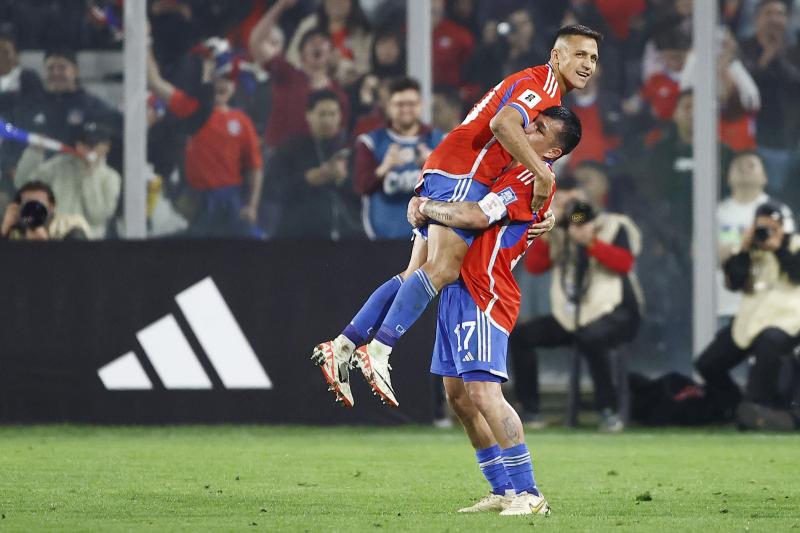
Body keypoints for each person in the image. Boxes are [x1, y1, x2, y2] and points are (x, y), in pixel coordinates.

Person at [312, 25, 600, 408]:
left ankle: (344, 344)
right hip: (465, 171)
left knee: (414, 274)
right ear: (556, 55)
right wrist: (544, 175)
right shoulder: (542, 85)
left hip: (445, 166)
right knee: (444, 269)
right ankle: (379, 349)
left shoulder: (542, 88)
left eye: (593, 58)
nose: (587, 64)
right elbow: (502, 124)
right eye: (579, 54)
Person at [408, 162, 557, 516]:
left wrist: (424, 205)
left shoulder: (530, 173)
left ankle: (529, 492)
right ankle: (503, 490)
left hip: (482, 291)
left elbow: (475, 216)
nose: (524, 135)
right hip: (452, 289)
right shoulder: (498, 164)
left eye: (536, 133)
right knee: (458, 397)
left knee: (483, 392)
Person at [511, 182, 643, 432]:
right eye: (563, 200)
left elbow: (624, 263)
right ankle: (530, 410)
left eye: (574, 199)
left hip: (616, 311)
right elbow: (535, 267)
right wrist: (548, 228)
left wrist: (591, 242)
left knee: (591, 338)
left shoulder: (614, 224)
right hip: (571, 315)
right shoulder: (560, 229)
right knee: (521, 336)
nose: (572, 207)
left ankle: (608, 411)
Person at [696, 202, 800, 427]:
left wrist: (778, 248)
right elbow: (734, 281)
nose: (766, 232)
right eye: (761, 227)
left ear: (783, 226)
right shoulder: (751, 250)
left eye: (772, 226)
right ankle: (735, 407)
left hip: (788, 320)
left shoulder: (795, 244)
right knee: (707, 364)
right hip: (750, 321)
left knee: (768, 343)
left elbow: (796, 273)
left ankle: (758, 408)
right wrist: (744, 248)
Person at [248, 0, 351, 151]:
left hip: (315, 159)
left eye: (323, 42)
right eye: (311, 42)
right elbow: (257, 42)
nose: (317, 44)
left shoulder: (338, 94)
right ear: (301, 53)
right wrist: (280, 6)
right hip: (278, 155)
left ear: (331, 54)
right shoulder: (286, 73)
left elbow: (340, 135)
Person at [354, 77, 444, 239]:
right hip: (381, 238)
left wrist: (433, 164)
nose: (406, 109)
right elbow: (360, 186)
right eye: (400, 104)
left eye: (411, 104)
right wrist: (384, 167)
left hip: (429, 238)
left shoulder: (440, 141)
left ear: (421, 104)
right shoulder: (370, 142)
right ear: (388, 106)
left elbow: (457, 188)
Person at [269, 89, 362, 240]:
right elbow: (272, 191)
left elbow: (365, 195)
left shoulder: (353, 150)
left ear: (340, 116)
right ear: (308, 115)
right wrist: (308, 179)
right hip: (300, 236)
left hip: (348, 235)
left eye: (332, 114)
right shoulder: (290, 149)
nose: (327, 120)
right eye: (322, 114)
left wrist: (344, 180)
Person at [183, 75, 264, 238]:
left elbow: (255, 167)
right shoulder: (190, 113)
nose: (222, 85)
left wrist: (252, 206)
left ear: (234, 87)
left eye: (228, 81)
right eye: (217, 80)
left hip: (231, 199)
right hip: (197, 198)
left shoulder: (241, 120)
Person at [717, 152, 795, 321]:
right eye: (739, 165)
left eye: (751, 165)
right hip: (725, 304)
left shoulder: (779, 212)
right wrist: (744, 244)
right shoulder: (717, 212)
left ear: (764, 177)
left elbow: (790, 254)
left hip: (767, 306)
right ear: (728, 177)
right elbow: (700, 254)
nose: (745, 169)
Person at [14, 122, 121, 240]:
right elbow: (23, 184)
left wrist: (89, 176)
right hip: (55, 238)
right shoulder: (59, 164)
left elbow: (97, 217)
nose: (87, 148)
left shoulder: (110, 177)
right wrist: (34, 152)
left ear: (106, 147)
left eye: (93, 144)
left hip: (88, 241)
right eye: (84, 143)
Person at [1, 181, 90, 241]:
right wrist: (5, 229)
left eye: (38, 205)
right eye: (28, 205)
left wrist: (45, 243)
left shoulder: (69, 226)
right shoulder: (15, 229)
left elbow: (78, 258)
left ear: (52, 206)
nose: (33, 211)